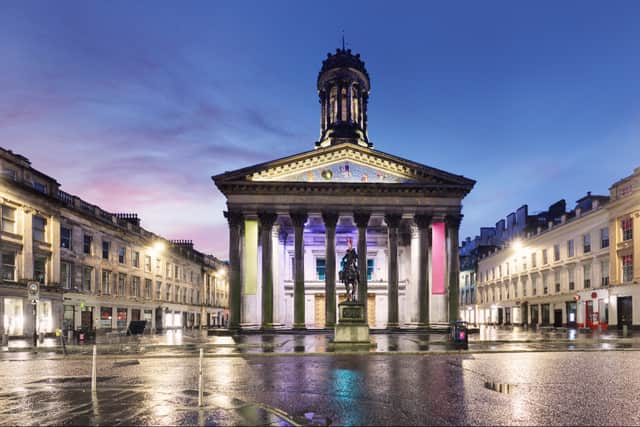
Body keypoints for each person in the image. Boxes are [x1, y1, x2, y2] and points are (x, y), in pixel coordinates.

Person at [340, 237, 359, 302]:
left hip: (352, 264)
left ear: (351, 245)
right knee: (342, 271)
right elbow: (343, 258)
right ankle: (343, 278)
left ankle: (358, 279)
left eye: (350, 244)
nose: (349, 246)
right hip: (347, 265)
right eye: (348, 245)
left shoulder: (353, 251)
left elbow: (357, 256)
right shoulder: (347, 252)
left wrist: (355, 258)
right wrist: (343, 260)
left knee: (357, 271)